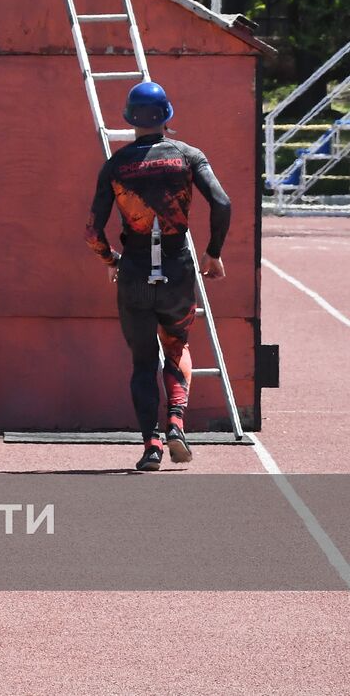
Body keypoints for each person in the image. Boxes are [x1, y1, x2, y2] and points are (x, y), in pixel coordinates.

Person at [85, 81, 231, 472]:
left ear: (130, 119)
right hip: (177, 270)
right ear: (167, 115)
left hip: (133, 272)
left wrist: (111, 261)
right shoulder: (188, 156)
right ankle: (177, 425)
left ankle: (151, 446)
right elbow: (222, 202)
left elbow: (92, 232)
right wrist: (213, 253)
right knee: (177, 345)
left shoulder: (116, 165)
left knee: (142, 362)